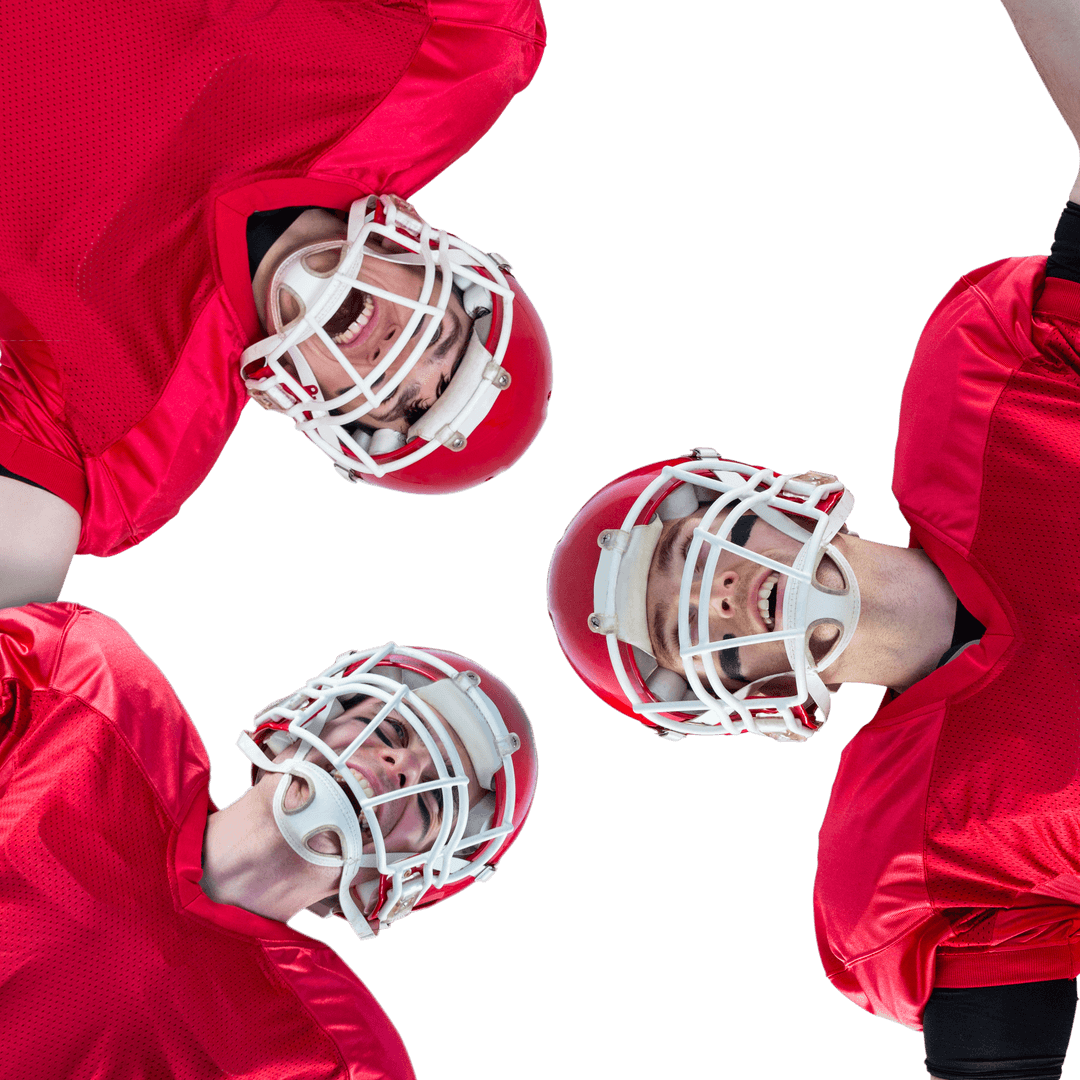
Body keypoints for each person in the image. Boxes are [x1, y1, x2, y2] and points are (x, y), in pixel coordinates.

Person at [547, 2, 1080, 1073]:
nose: (708, 593)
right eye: (674, 628)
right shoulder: (909, 851)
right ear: (735, 714)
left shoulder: (978, 388)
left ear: (783, 490)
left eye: (687, 552)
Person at [0, 0, 553, 609]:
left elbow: (23, 540)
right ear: (418, 244)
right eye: (438, 338)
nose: (397, 355)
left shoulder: (130, 444)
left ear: (290, 398)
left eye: (398, 401)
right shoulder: (446, 58)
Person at [0, 602, 536, 1079]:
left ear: (412, 872)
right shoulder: (88, 693)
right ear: (314, 713)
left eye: (429, 799)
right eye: (389, 732)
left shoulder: (333, 1058)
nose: (401, 768)